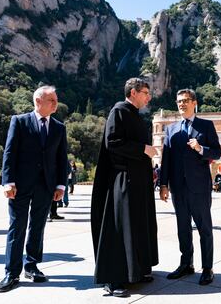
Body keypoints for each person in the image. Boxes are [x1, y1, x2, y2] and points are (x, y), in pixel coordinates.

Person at [91, 77, 158, 297]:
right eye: (146, 92)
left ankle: (135, 271)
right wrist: (143, 150)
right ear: (133, 92)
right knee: (119, 228)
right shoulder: (118, 111)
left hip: (138, 181)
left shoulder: (135, 115)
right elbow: (113, 143)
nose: (149, 97)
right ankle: (113, 278)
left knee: (136, 225)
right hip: (123, 180)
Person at [0, 85, 67, 293]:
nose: (56, 103)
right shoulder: (19, 122)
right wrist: (8, 182)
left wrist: (60, 185)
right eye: (52, 100)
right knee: (17, 227)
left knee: (37, 227)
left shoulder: (59, 127)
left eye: (56, 100)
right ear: (38, 101)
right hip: (19, 186)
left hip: (45, 186)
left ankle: (32, 266)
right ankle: (11, 272)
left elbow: (61, 159)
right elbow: (9, 153)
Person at [159, 88, 221, 285]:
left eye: (186, 100)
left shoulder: (206, 126)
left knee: (204, 228)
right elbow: (166, 159)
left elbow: (217, 153)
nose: (181, 104)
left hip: (199, 187)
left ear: (194, 102)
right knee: (182, 227)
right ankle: (186, 264)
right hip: (178, 187)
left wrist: (200, 148)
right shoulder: (171, 129)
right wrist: (163, 184)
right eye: (179, 101)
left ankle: (207, 268)